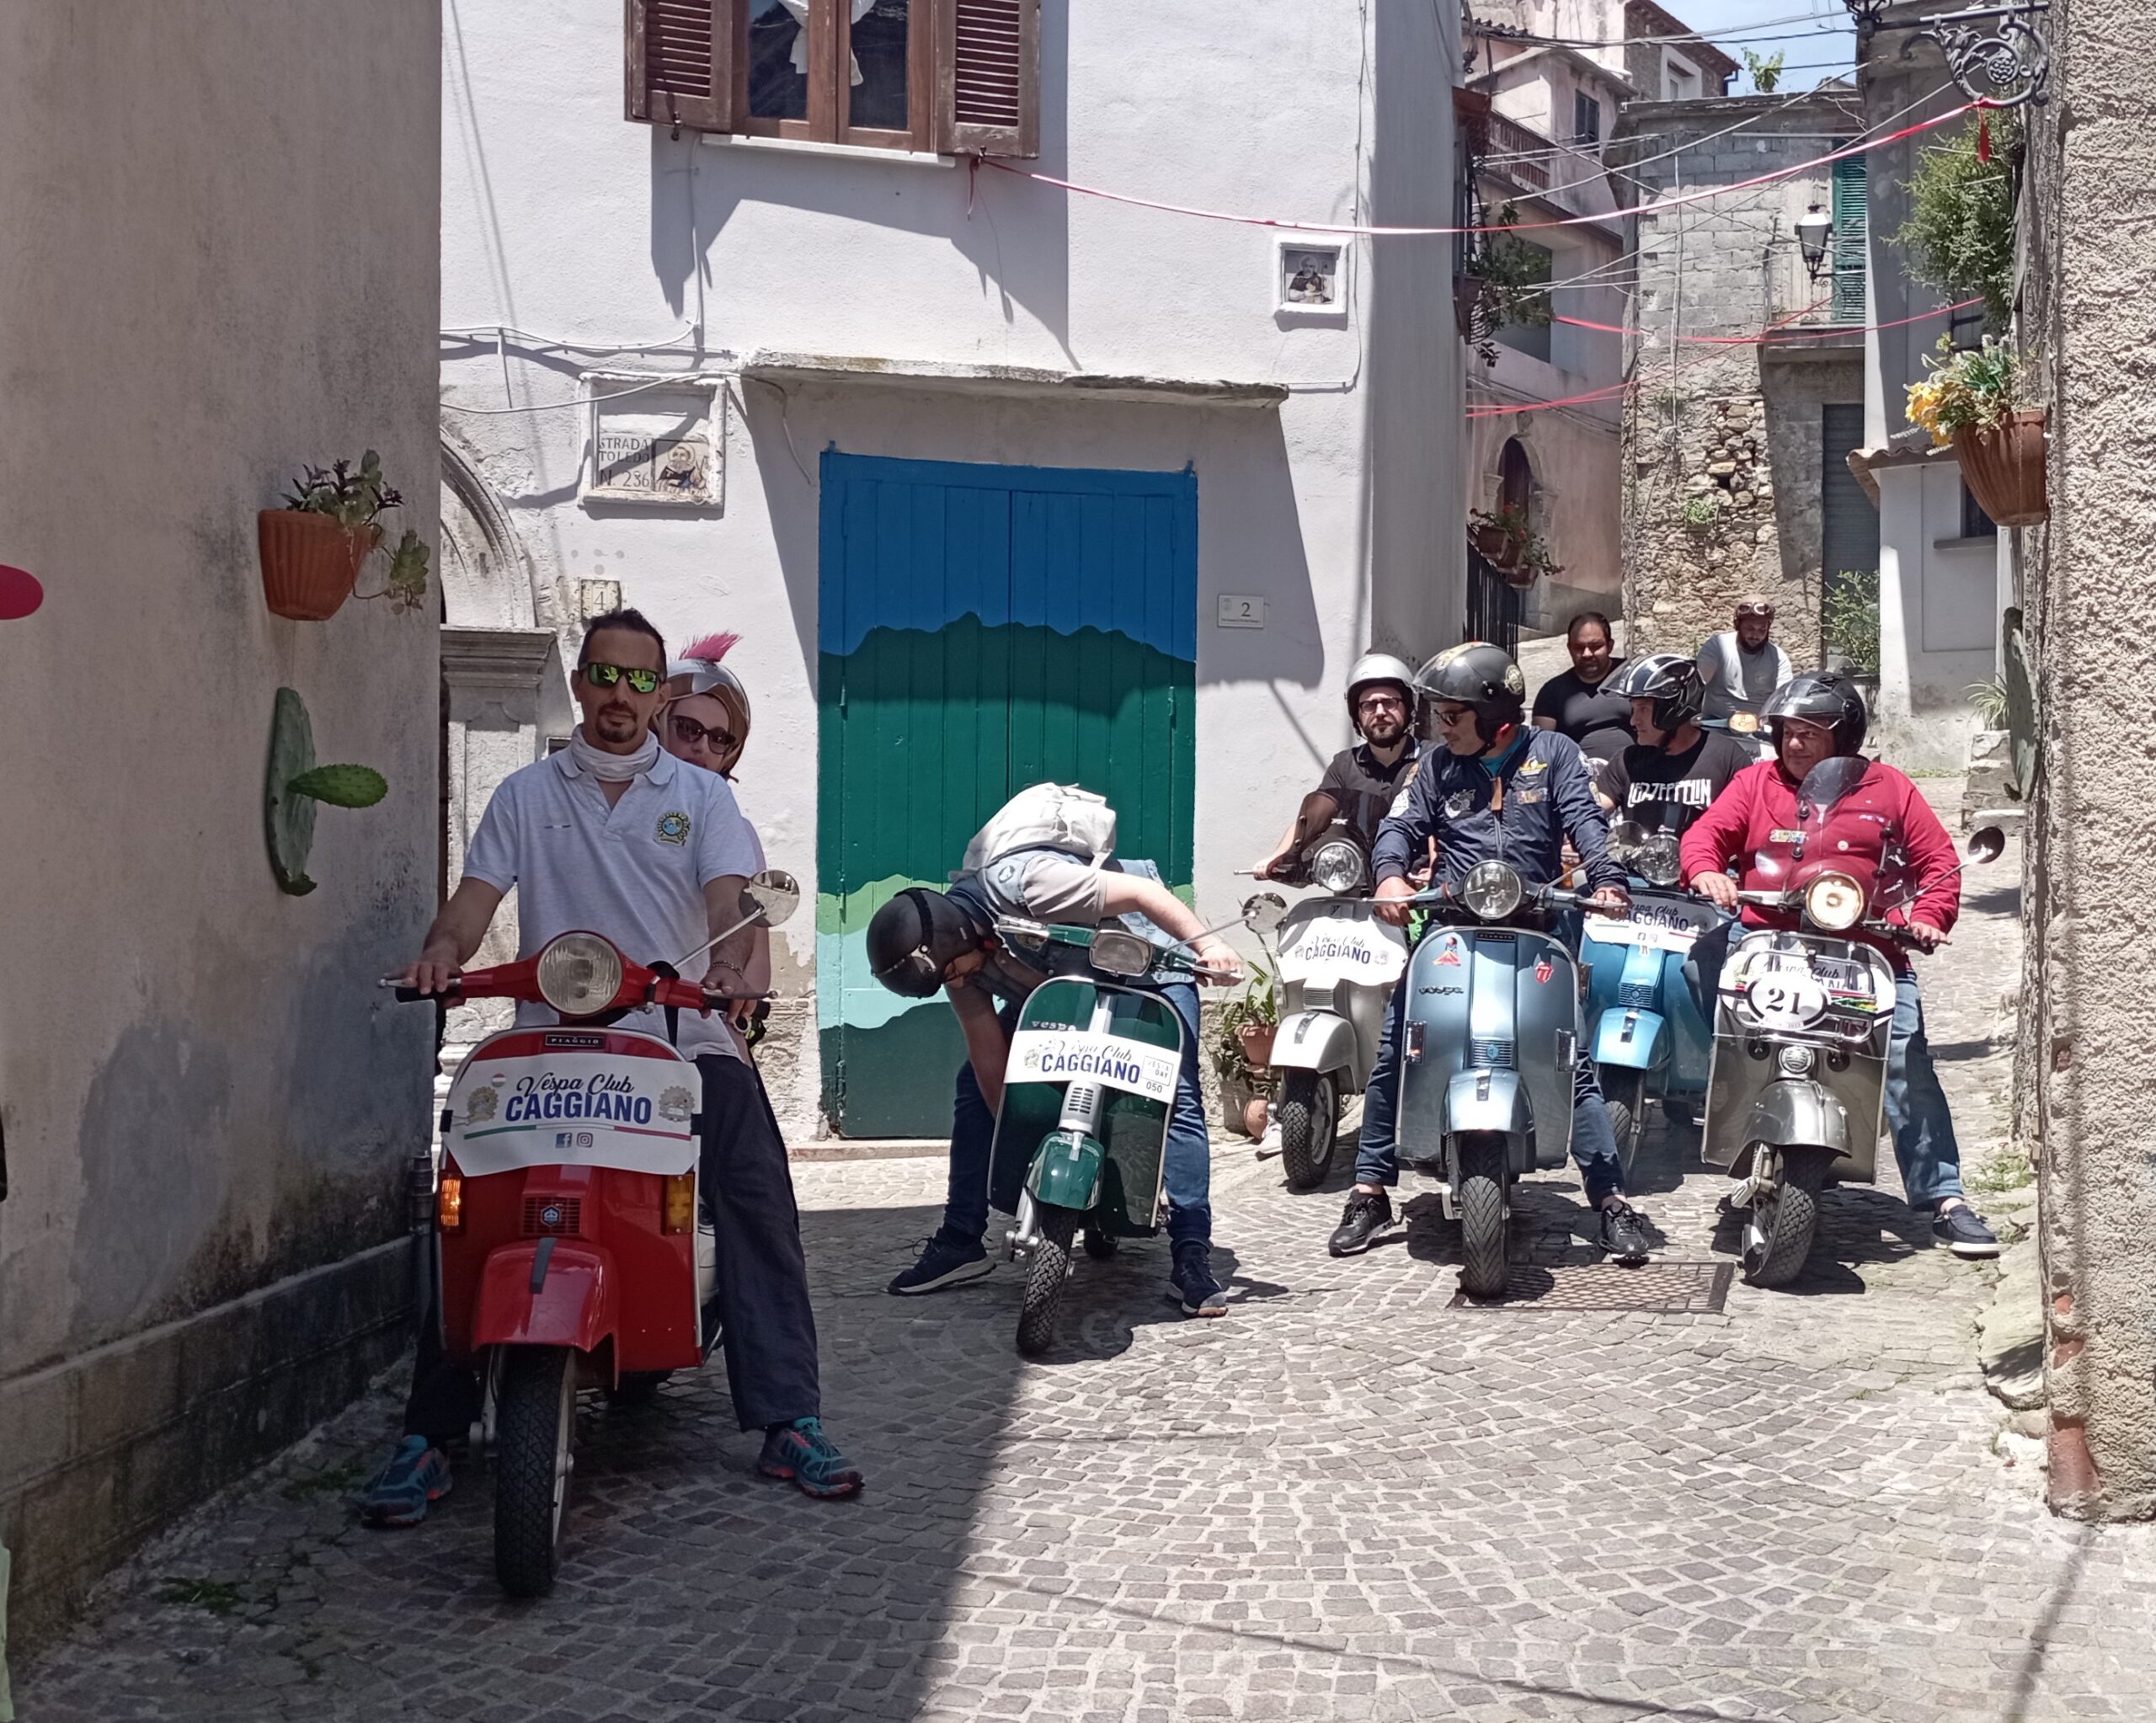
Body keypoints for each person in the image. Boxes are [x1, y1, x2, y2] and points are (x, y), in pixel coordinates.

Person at [361, 610, 861, 1526]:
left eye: (641, 682)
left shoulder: (703, 800)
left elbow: (729, 897)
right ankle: (428, 1434)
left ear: (659, 692)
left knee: (753, 1192)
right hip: (551, 1040)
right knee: (461, 1201)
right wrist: (441, 955)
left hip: (679, 1040)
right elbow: (473, 905)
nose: (621, 698)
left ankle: (789, 1416)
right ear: (581, 682)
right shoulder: (524, 796)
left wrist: (724, 966)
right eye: (604, 677)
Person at [1327, 641, 1654, 1264]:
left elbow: (1587, 821)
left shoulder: (1554, 755)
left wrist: (1606, 878)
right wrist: (1392, 874)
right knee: (1399, 1046)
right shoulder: (1437, 766)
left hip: (1537, 929)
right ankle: (1370, 1189)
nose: (1441, 726)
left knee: (1571, 1059)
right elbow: (1399, 825)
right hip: (1451, 928)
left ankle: (1609, 1198)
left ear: (1495, 714)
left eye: (1452, 715)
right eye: (1439, 716)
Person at [1676, 670, 2000, 1259]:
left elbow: (1937, 864)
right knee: (1698, 973)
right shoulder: (1754, 783)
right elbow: (1705, 836)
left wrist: (1929, 917)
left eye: (1811, 733)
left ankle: (1944, 1199)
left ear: (1843, 735)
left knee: (1906, 1058)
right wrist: (1705, 870)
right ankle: (1747, 1113)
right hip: (1769, 944)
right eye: (1787, 732)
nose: (1795, 744)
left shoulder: (1890, 787)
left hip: (1866, 951)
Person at [869, 818, 1244, 1316]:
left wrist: (1207, 947)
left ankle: (1191, 1254)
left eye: (951, 971)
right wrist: (1032, 1144)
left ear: (960, 937)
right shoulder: (960, 964)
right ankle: (962, 1237)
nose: (955, 982)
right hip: (1064, 986)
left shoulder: (1031, 883)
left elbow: (1142, 895)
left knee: (1177, 1094)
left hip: (1149, 965)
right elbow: (991, 1069)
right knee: (970, 1088)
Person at [1253, 652, 1424, 878]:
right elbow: (1314, 819)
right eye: (1369, 705)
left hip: (1415, 886)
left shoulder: (1432, 759)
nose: (1380, 712)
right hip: (1354, 881)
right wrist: (1279, 856)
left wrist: (1438, 869)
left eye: (1390, 702)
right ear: (1357, 715)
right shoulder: (1345, 764)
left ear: (1408, 707)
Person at [1595, 653, 1756, 828]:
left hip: (1702, 854)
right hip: (1640, 854)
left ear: (1673, 709)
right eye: (1633, 710)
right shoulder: (1627, 760)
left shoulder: (1726, 757)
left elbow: (1754, 815)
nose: (1634, 721)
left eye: (1643, 709)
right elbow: (1593, 808)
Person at [1531, 611, 1632, 766]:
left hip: (1637, 776)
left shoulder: (1632, 677)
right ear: (1569, 648)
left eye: (1595, 646)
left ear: (1610, 646)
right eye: (1578, 647)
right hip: (1579, 780)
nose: (1586, 654)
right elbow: (1542, 748)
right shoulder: (1552, 692)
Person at [1695, 595, 1795, 726]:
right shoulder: (1718, 647)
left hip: (1760, 731)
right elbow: (1697, 684)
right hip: (1716, 727)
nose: (1755, 635)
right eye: (1750, 628)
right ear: (1738, 625)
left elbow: (1784, 698)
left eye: (1762, 630)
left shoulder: (1778, 657)